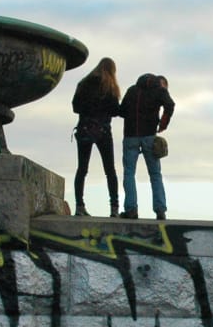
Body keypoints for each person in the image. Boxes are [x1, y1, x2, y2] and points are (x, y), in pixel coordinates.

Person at [70, 57, 122, 218]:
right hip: (103, 130)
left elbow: (75, 106)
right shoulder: (110, 87)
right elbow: (115, 110)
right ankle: (114, 208)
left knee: (82, 169)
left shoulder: (84, 83)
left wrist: (89, 111)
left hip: (85, 128)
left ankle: (79, 206)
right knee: (110, 170)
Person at [118, 73, 174, 220]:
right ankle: (160, 210)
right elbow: (170, 105)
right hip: (149, 136)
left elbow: (122, 111)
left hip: (130, 135)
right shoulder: (159, 90)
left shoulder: (132, 90)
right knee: (155, 174)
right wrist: (163, 124)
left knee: (129, 173)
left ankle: (131, 209)